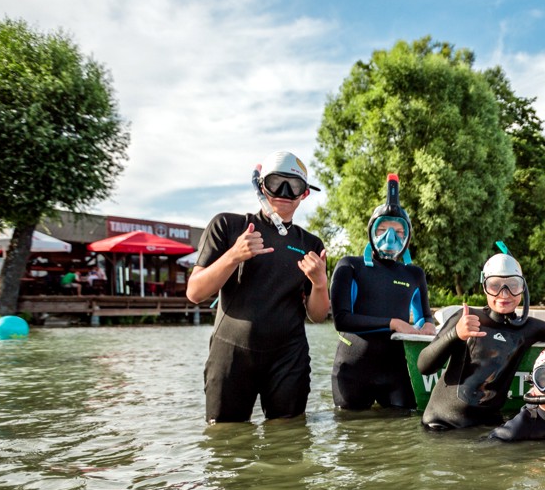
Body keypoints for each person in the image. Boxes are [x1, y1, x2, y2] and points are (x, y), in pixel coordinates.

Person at [186, 150, 328, 423]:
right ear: (262, 185)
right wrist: (233, 255)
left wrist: (320, 284)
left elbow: (318, 315)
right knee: (225, 441)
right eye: (277, 183)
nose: (284, 192)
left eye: (294, 186)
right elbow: (195, 292)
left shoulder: (311, 244)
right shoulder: (228, 226)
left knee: (288, 443)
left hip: (289, 357)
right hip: (231, 352)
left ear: (304, 194)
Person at [418, 252, 545, 430]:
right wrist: (455, 334)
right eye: (495, 286)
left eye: (512, 285)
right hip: (441, 425)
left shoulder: (528, 328)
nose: (504, 294)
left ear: (522, 288)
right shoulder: (467, 318)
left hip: (487, 426)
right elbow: (424, 367)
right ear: (484, 287)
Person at [329, 173, 435, 410]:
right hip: (353, 371)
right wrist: (394, 323)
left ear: (407, 237)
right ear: (372, 232)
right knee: (352, 435)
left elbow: (423, 316)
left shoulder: (414, 274)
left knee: (399, 439)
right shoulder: (350, 266)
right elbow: (342, 319)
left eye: (398, 232)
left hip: (397, 373)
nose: (390, 237)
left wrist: (427, 326)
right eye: (383, 229)